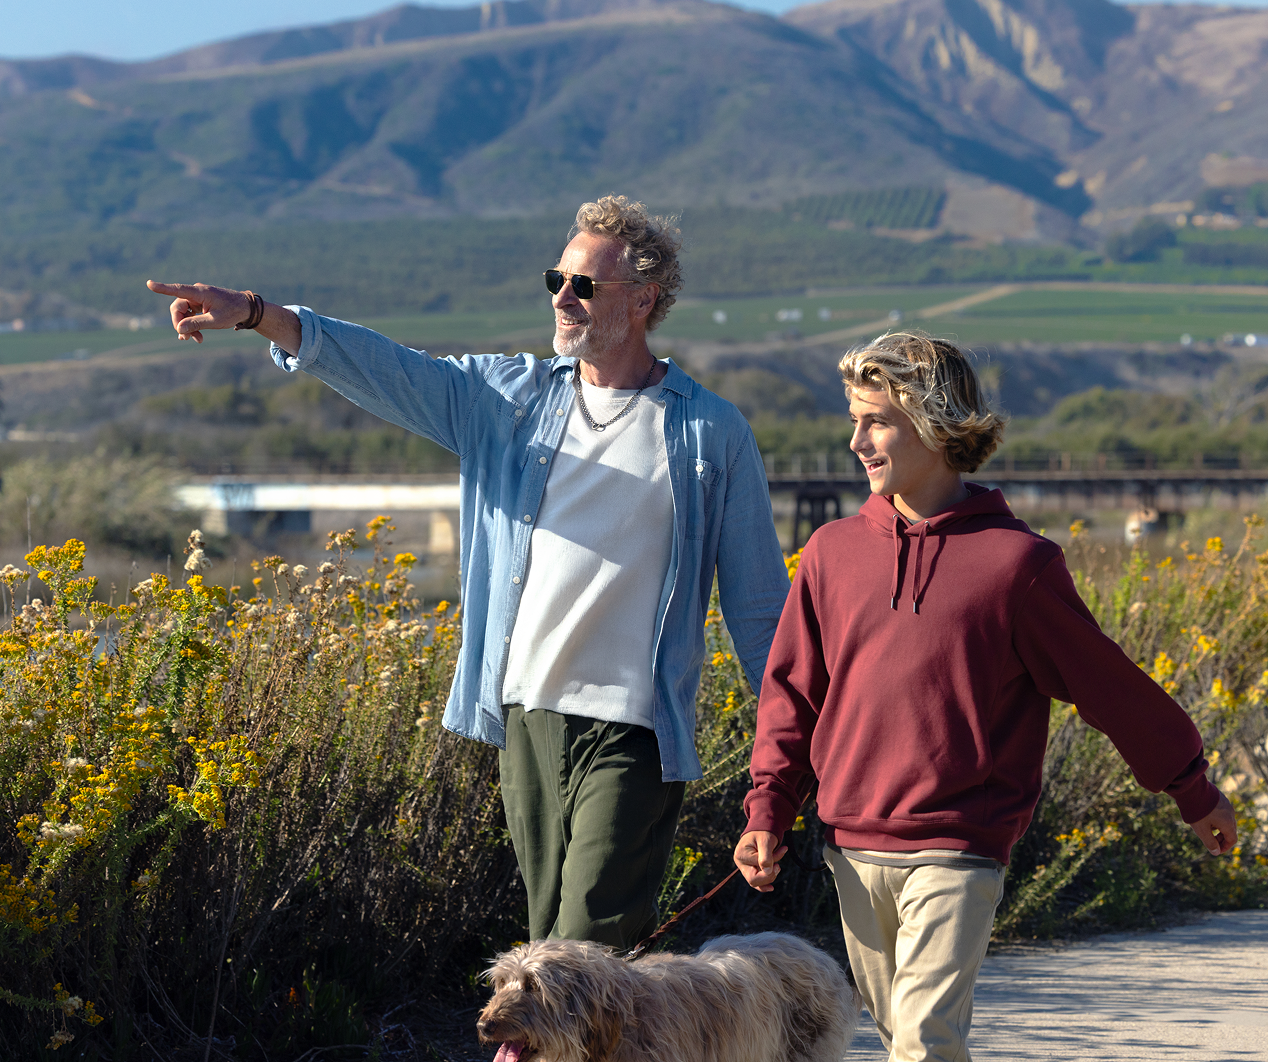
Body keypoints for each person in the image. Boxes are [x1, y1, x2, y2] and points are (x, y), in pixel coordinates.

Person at [148, 194, 790, 950]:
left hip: (637, 731)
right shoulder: (505, 400)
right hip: (526, 714)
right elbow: (391, 371)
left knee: (588, 947)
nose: (562, 297)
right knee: (554, 957)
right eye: (557, 278)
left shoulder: (709, 431)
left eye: (584, 285)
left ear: (643, 299)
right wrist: (262, 315)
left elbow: (759, 611)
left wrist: (789, 767)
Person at [733, 331, 1237, 1062]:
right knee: (903, 1034)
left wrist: (1190, 788)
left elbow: (1110, 689)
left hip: (958, 846)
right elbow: (792, 696)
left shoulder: (1017, 566)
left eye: (876, 421)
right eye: (853, 420)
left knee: (924, 1042)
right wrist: (767, 809)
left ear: (935, 425)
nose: (857, 442)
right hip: (851, 846)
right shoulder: (831, 554)